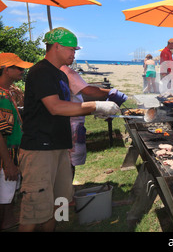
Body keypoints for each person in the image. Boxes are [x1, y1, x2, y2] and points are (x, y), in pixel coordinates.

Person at [18, 27, 120, 232]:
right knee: (36, 206)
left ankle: (55, 228)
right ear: (56, 46)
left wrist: (95, 110)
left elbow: (67, 109)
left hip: (60, 146)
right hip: (39, 149)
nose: (74, 54)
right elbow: (55, 107)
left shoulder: (61, 76)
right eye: (71, 49)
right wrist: (95, 107)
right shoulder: (41, 72)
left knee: (61, 200)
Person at [60, 65, 127, 179]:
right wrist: (110, 92)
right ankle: (67, 188)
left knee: (65, 160)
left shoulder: (56, 71)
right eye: (71, 50)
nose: (74, 54)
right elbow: (88, 90)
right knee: (68, 162)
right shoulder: (67, 72)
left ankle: (67, 188)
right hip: (71, 123)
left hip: (67, 122)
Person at [0, 53, 33, 230]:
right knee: (6, 188)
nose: (22, 71)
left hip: (11, 151)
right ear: (7, 70)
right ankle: (8, 220)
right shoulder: (1, 97)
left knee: (8, 189)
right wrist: (8, 163)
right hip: (6, 153)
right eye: (19, 68)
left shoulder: (8, 92)